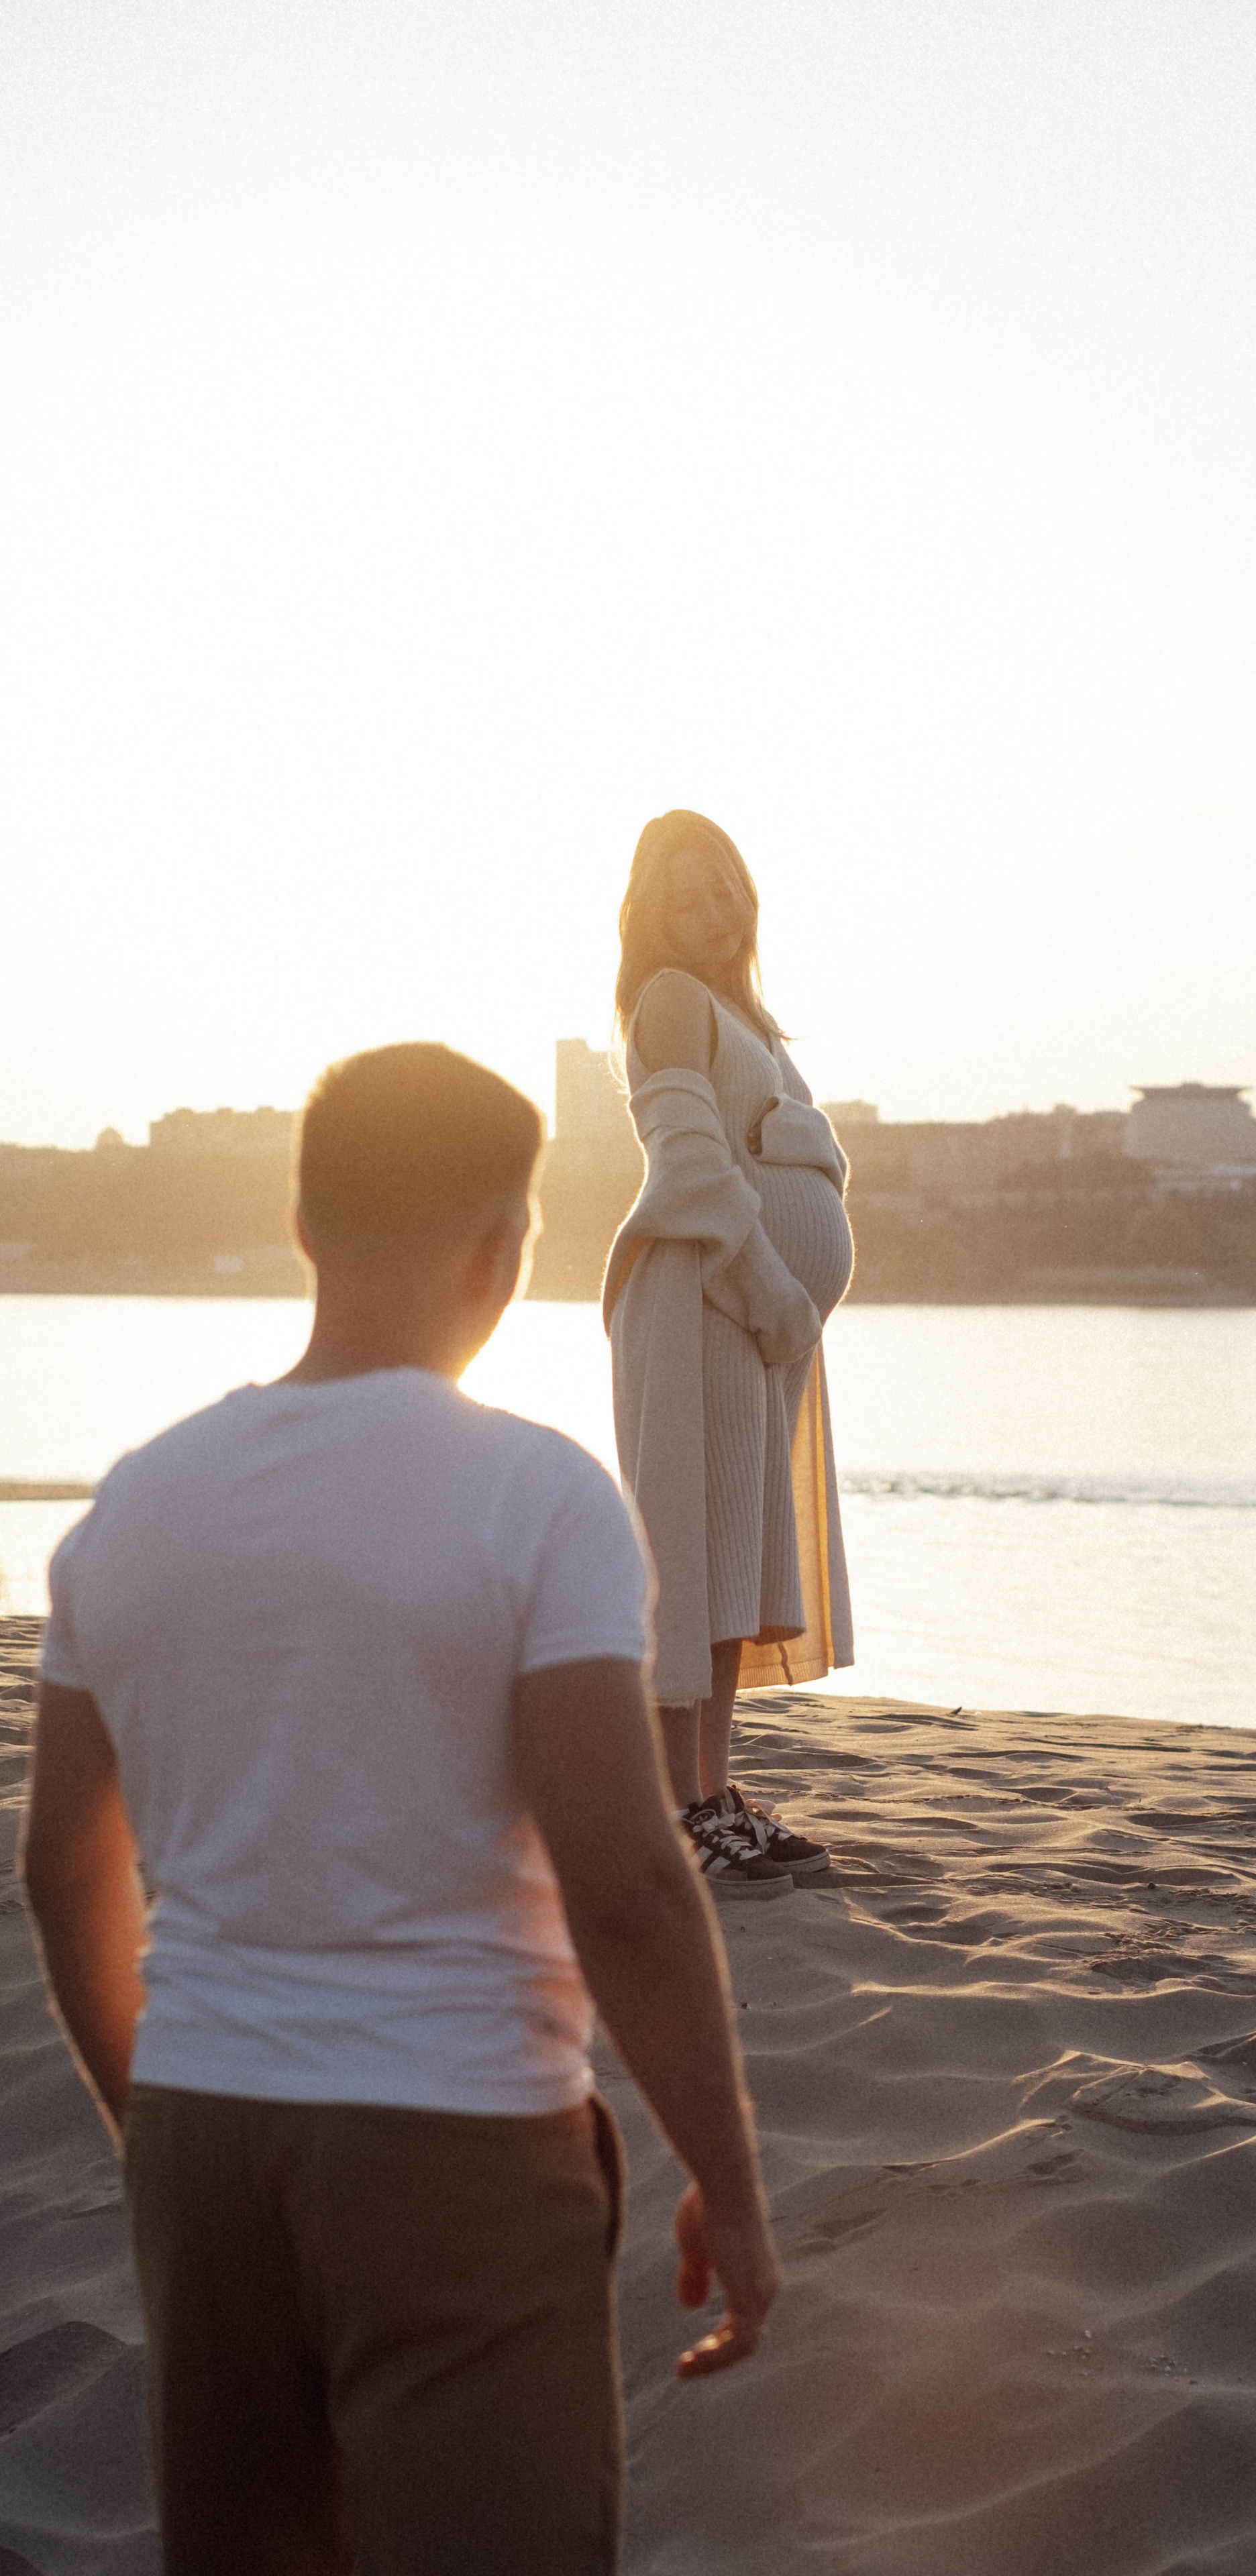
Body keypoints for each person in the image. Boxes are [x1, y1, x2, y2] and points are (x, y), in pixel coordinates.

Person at [21, 1041, 780, 2576]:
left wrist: (161, 2120)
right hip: (457, 2144)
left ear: (305, 1226)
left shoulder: (135, 1503)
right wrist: (731, 2185)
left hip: (204, 2138)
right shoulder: (537, 1496)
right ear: (503, 1250)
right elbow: (625, 1884)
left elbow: (62, 1874)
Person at [603, 811, 854, 1898]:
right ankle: (681, 1809)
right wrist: (774, 1297)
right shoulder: (668, 1000)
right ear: (650, 916)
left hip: (748, 1319)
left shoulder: (742, 1016)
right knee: (695, 1559)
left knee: (731, 1561)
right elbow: (693, 1169)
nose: (710, 914)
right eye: (685, 897)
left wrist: (784, 1305)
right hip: (708, 1299)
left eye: (723, 891)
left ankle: (713, 1792)